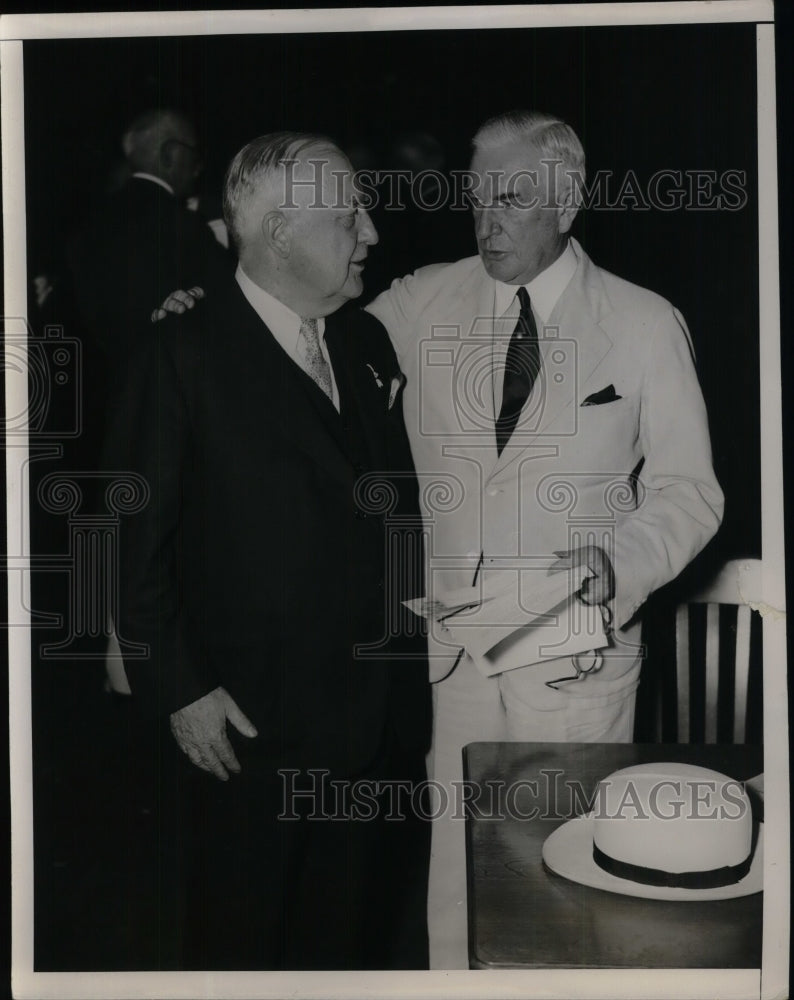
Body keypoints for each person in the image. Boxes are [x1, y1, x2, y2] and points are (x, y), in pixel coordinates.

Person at [365, 109, 724, 967]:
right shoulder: (418, 302)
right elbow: (306, 347)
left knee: (558, 887)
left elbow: (689, 490)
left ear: (568, 204)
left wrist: (619, 562)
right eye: (478, 195)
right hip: (452, 652)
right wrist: (208, 307)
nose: (488, 217)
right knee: (455, 889)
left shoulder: (642, 322)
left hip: (577, 651)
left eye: (514, 197)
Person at [104, 132, 431, 970]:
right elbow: (124, 548)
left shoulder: (366, 347)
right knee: (245, 957)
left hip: (374, 736)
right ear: (281, 231)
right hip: (245, 742)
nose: (372, 233)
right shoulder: (179, 353)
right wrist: (181, 690)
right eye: (349, 215)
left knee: (353, 954)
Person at [68, 108, 230, 365]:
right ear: (169, 155)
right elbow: (230, 302)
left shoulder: (87, 222)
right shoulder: (183, 224)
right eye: (194, 153)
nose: (198, 167)